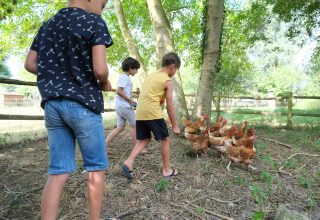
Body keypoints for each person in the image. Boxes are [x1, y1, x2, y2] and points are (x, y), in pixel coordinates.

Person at [24, 0, 114, 219]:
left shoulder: (48, 24)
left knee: (57, 171)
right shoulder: (94, 21)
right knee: (95, 168)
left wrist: (56, 76)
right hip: (83, 104)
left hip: (53, 106)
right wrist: (103, 83)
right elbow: (100, 69)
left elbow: (29, 63)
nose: (102, 8)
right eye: (102, 3)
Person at [121, 52, 181, 180]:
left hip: (141, 112)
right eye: (176, 70)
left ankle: (129, 161)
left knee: (145, 139)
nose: (175, 72)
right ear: (173, 66)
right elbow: (170, 105)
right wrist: (175, 125)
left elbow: (151, 95)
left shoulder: (152, 76)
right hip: (152, 112)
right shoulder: (168, 81)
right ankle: (166, 170)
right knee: (165, 139)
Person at [105, 57, 149, 154]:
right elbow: (118, 91)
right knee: (136, 125)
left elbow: (122, 91)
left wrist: (131, 95)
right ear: (130, 68)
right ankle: (137, 149)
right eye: (136, 69)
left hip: (120, 106)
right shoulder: (125, 77)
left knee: (120, 127)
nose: (136, 71)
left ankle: (104, 145)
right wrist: (130, 100)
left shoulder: (124, 77)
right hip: (124, 106)